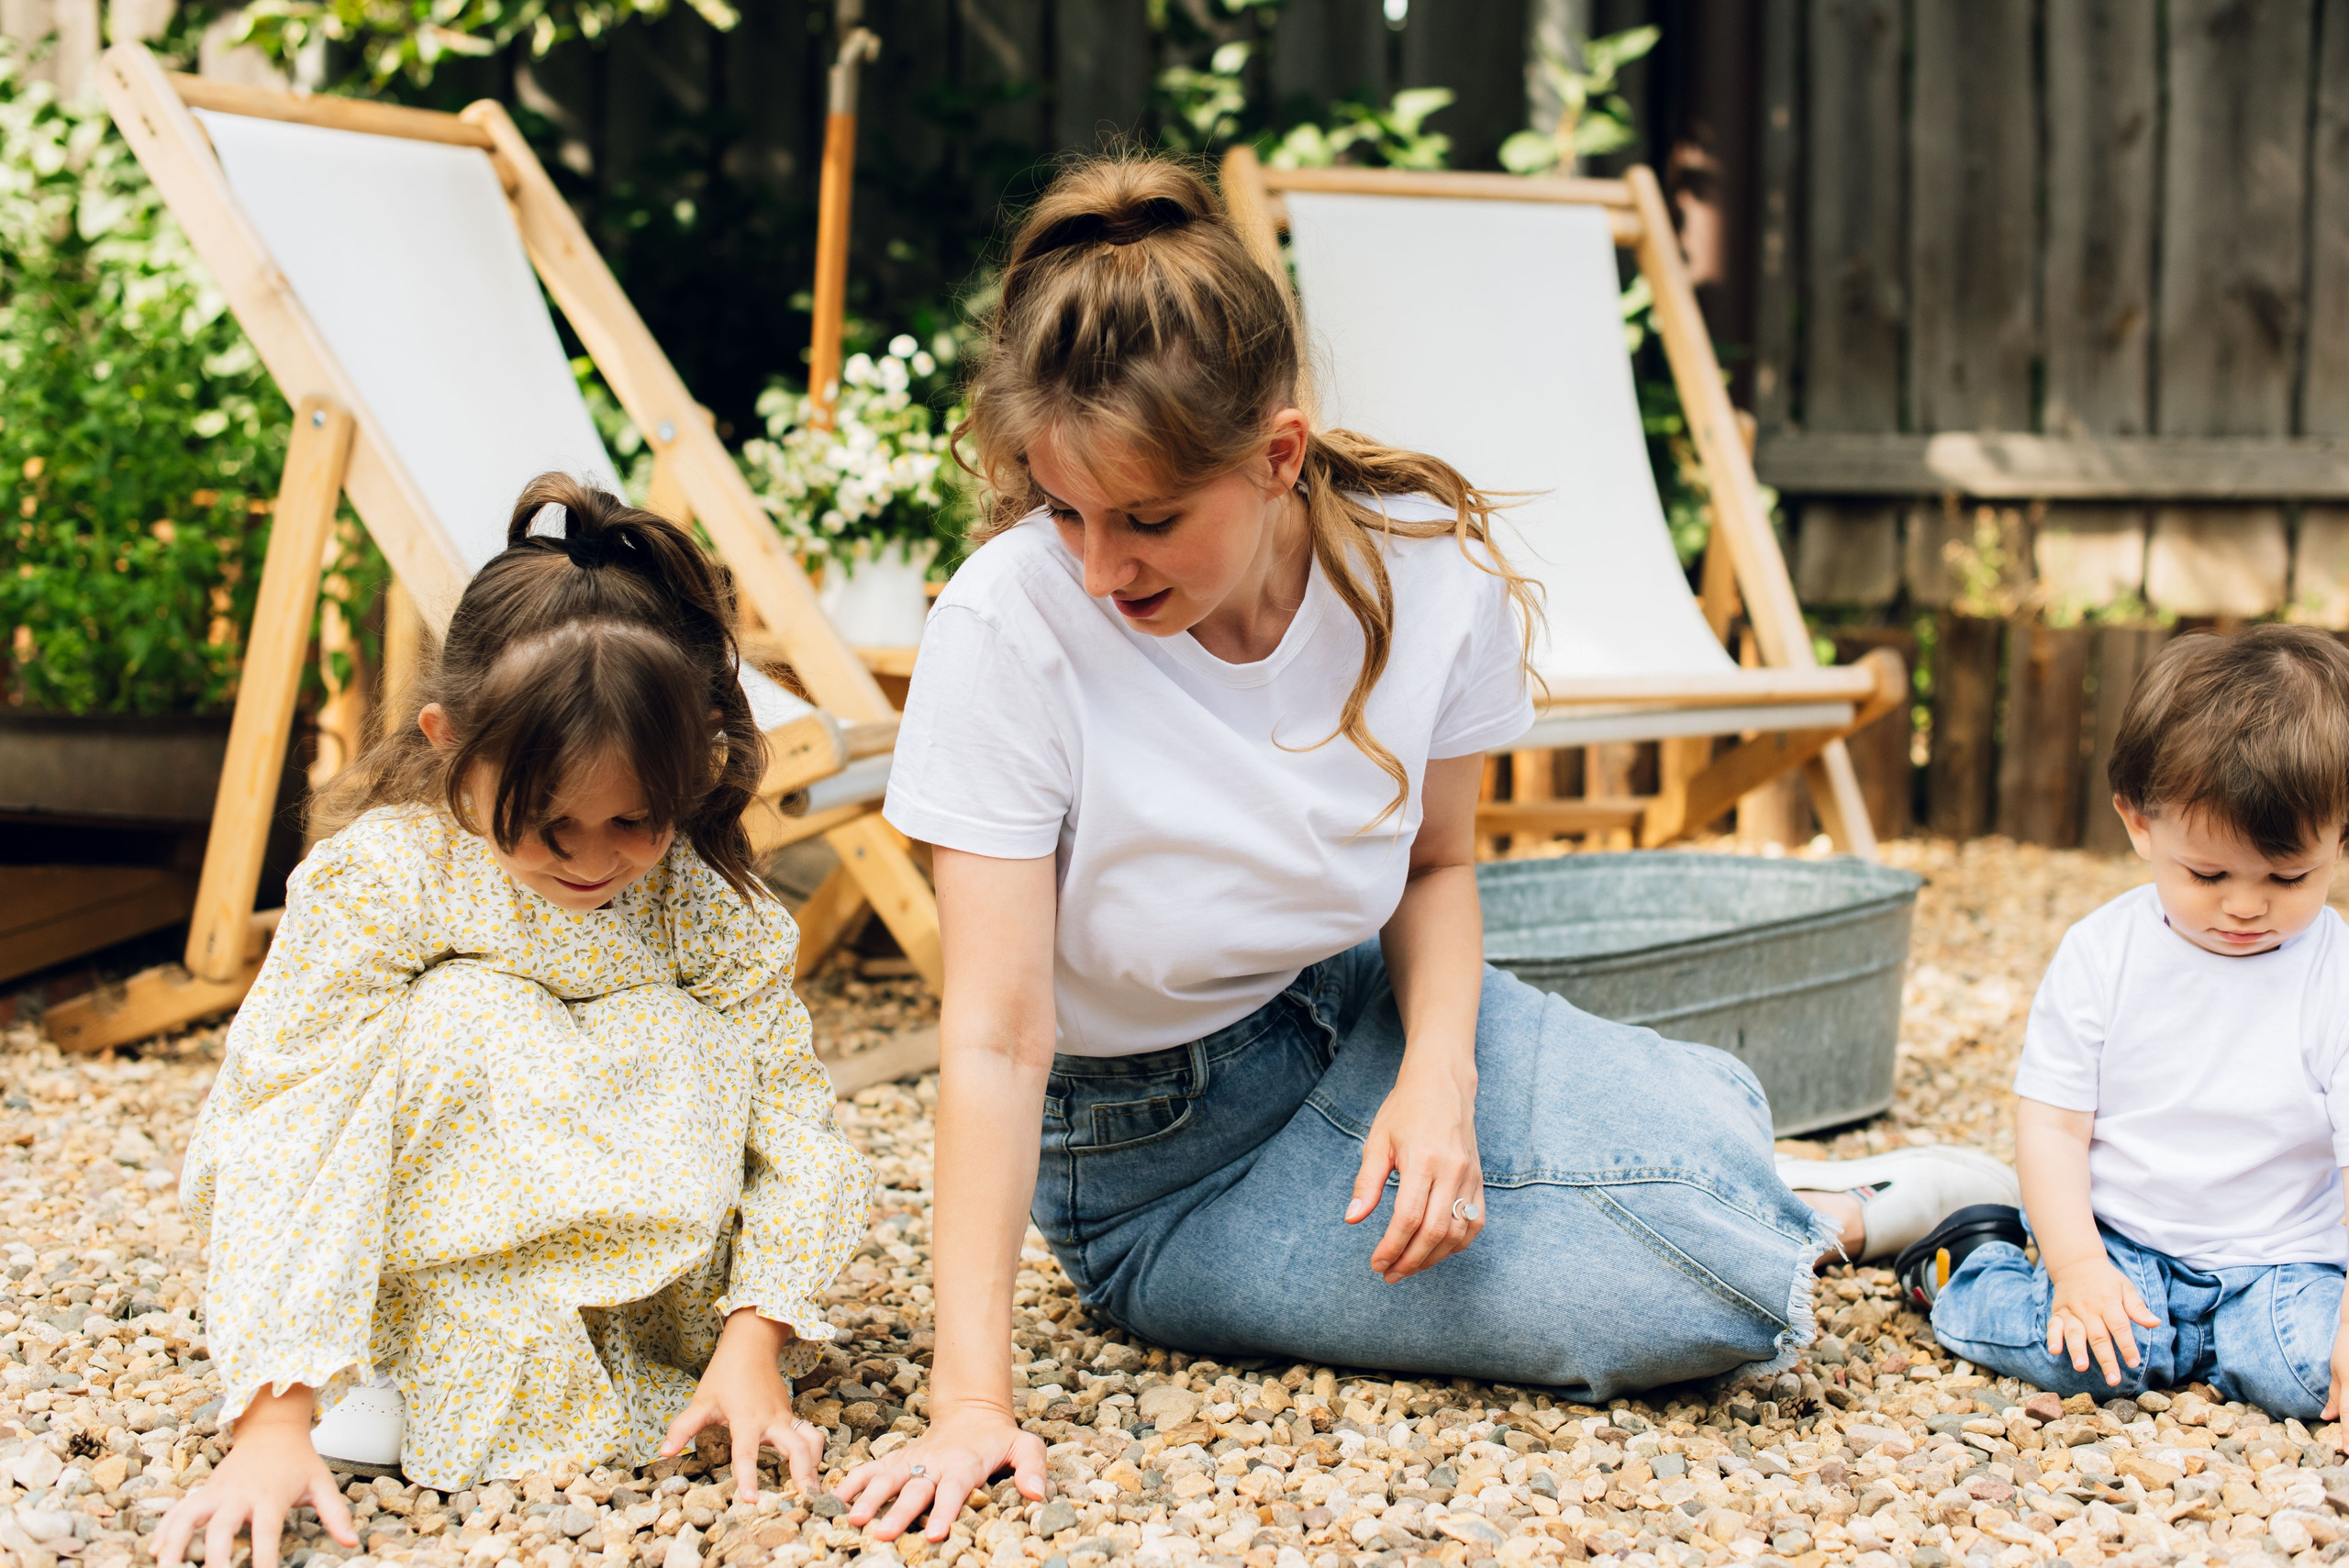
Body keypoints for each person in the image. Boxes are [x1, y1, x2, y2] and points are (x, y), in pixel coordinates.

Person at [833, 153, 2015, 1543]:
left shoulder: (1422, 563)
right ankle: (1834, 1212)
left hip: (1354, 1006)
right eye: (1065, 510)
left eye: (1148, 518)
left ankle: (1767, 1184)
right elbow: (993, 1037)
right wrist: (969, 1399)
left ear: (1278, 455)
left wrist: (1438, 1083)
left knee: (1698, 1122)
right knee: (1697, 1291)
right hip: (1158, 1157)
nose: (1102, 567)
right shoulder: (1008, 625)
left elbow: (1440, 867)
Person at [155, 475, 870, 1568]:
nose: (592, 858)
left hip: (643, 1287)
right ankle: (387, 1354)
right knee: (466, 1009)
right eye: (548, 821)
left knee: (680, 1031)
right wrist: (272, 1413)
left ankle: (584, 1356)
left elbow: (792, 1122)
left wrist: (755, 1332)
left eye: (636, 817)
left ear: (697, 764)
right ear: (449, 741)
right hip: (424, 1255)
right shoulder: (388, 880)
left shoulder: (701, 907)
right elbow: (290, 1114)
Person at [1902, 626, 2349, 1420]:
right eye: (2207, 872)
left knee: (2312, 1374)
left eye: (2288, 877)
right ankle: (1966, 1268)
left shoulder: (2332, 975)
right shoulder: (2103, 954)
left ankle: (2229, 1347)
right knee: (2089, 1355)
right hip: (2122, 1242)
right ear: (2139, 822)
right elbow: (2053, 1124)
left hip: (2285, 1262)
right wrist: (2076, 1264)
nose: (2246, 905)